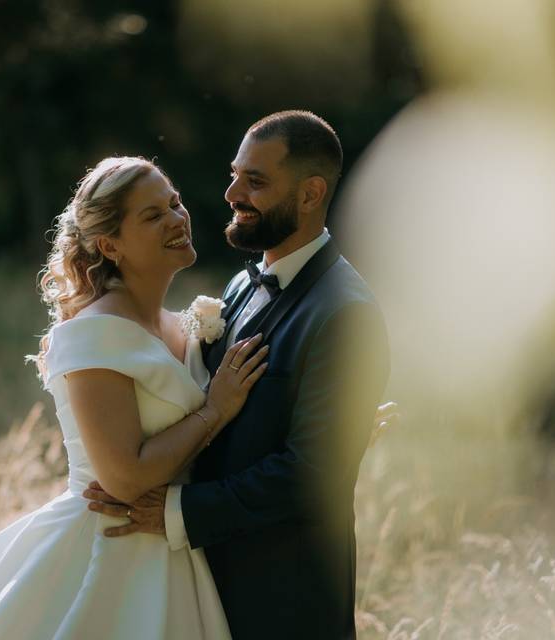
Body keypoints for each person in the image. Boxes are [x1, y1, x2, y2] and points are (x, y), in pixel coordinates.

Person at [0, 156, 270, 639]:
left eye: (175, 204)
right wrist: (214, 409)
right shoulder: (94, 334)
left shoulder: (188, 326)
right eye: (152, 215)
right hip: (108, 546)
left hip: (175, 547)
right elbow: (124, 477)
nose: (177, 219)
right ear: (109, 245)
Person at [84, 111, 391, 639]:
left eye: (255, 181)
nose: (231, 193)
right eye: (234, 174)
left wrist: (178, 511)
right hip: (206, 585)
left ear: (311, 193)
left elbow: (311, 473)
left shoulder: (345, 312)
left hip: (284, 599)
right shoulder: (241, 286)